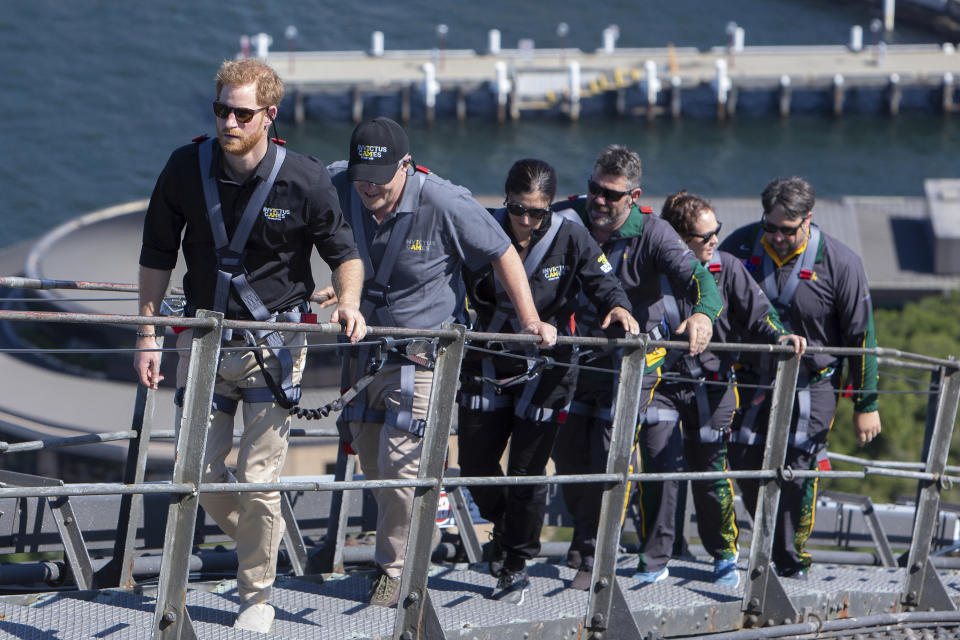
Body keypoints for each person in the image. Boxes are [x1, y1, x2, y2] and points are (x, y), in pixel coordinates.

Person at [134, 58, 365, 633]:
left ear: (269, 115)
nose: (228, 122)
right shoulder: (185, 168)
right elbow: (157, 254)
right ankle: (261, 542)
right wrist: (148, 335)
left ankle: (255, 595)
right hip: (206, 341)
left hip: (274, 346)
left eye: (241, 113)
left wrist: (350, 302)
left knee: (259, 480)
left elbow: (346, 256)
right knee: (199, 474)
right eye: (221, 110)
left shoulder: (306, 180)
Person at [322, 117, 557, 608]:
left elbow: (502, 252)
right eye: (362, 181)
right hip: (363, 349)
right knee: (372, 461)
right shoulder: (338, 181)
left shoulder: (445, 200)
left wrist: (530, 318)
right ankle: (424, 513)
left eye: (380, 182)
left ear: (405, 167)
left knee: (401, 468)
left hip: (423, 357)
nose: (368, 191)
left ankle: (396, 571)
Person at [457, 159, 638, 604]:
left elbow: (603, 282)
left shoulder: (571, 237)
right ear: (505, 199)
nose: (524, 220)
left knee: (526, 471)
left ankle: (515, 561)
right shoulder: (481, 229)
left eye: (535, 212)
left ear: (549, 208)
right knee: (475, 466)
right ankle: (505, 527)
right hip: (488, 359)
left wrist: (618, 307)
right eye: (516, 208)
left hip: (550, 367)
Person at [550, 145, 724, 590]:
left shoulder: (654, 233)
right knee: (567, 456)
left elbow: (702, 279)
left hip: (631, 366)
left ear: (634, 195)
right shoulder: (567, 216)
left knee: (610, 454)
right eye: (594, 189)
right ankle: (582, 533)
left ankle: (594, 555)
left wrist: (703, 314)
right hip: (574, 358)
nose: (600, 201)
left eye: (611, 194)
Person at [719, 176, 882, 580]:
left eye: (786, 231)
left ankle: (792, 561)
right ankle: (769, 541)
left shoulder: (841, 264)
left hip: (814, 383)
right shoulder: (740, 247)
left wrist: (866, 404)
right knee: (742, 457)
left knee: (797, 463)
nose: (774, 237)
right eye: (768, 227)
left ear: (808, 221)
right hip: (752, 379)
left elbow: (862, 336)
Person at [652, 190, 806, 587]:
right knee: (658, 467)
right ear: (680, 240)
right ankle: (654, 558)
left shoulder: (729, 268)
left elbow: (761, 316)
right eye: (706, 236)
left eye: (716, 231)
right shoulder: (652, 269)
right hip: (664, 385)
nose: (715, 240)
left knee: (710, 472)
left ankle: (723, 554)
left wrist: (782, 337)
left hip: (714, 385)